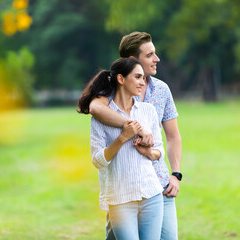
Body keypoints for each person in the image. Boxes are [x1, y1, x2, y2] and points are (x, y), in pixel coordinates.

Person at [89, 32, 182, 240]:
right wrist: (135, 128)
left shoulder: (161, 90)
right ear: (132, 60)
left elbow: (173, 137)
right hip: (122, 188)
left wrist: (175, 174)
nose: (156, 59)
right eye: (150, 55)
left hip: (158, 186)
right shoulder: (111, 89)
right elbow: (95, 108)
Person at [78, 58, 165, 239]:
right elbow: (97, 161)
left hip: (152, 196)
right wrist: (122, 138)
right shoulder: (102, 117)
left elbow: (159, 152)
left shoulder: (148, 110)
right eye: (138, 77)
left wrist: (148, 152)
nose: (143, 82)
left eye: (143, 78)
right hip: (120, 200)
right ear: (121, 79)